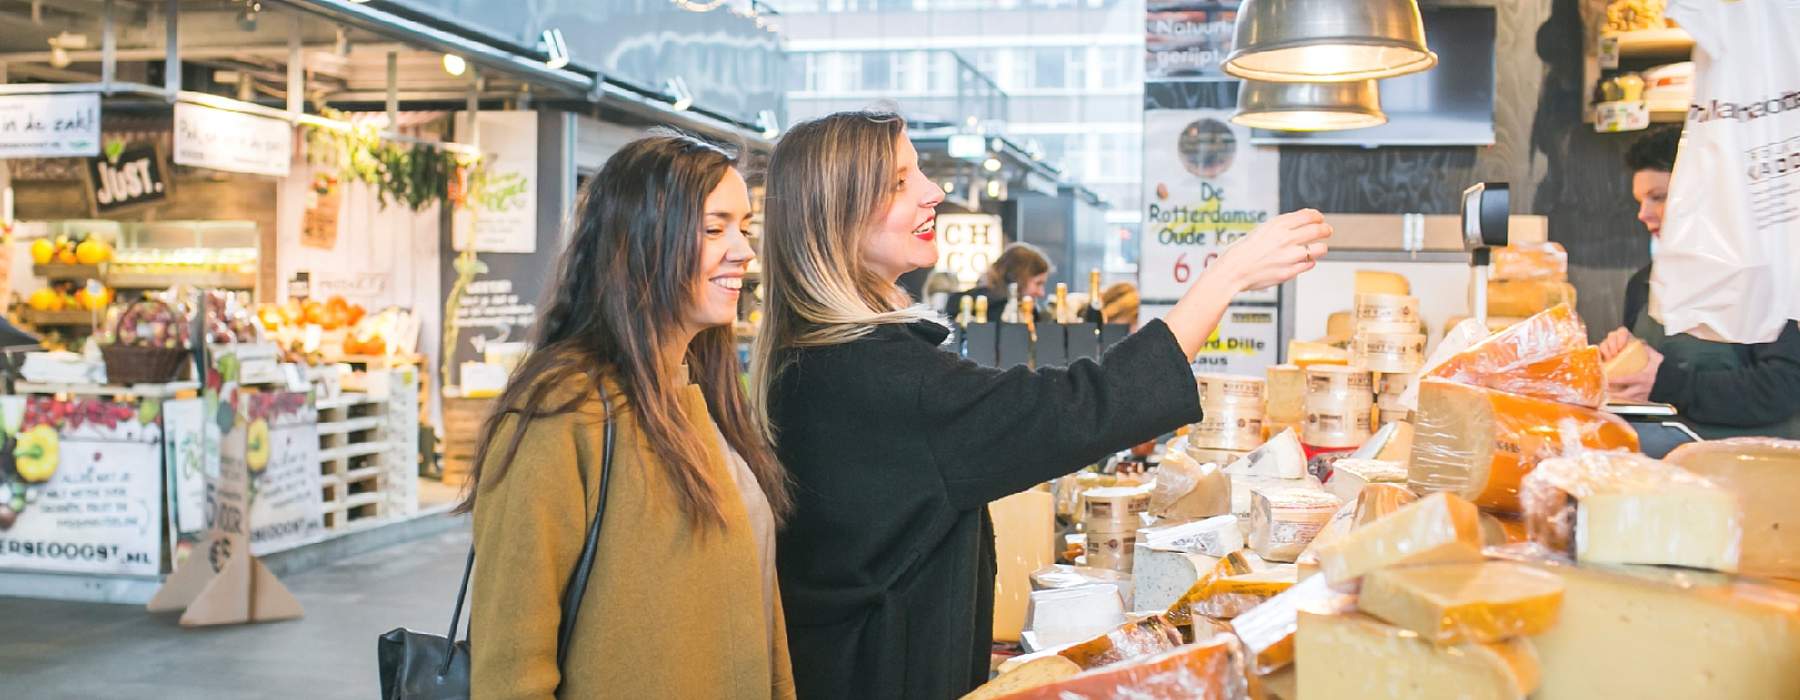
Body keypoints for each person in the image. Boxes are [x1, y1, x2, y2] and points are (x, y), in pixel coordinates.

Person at [750, 110, 1330, 699]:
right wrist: (1224, 277)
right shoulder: (877, 374)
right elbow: (1082, 406)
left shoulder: (819, 355)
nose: (935, 191)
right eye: (902, 180)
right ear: (838, 214)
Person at [461, 134, 795, 699]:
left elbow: (757, 613)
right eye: (715, 229)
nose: (743, 251)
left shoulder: (698, 392)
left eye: (745, 227)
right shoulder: (562, 408)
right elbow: (511, 663)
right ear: (641, 239)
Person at [1598, 126, 1800, 438]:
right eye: (1640, 200)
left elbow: (1782, 387)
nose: (1642, 214)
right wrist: (1623, 359)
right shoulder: (1643, 283)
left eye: (1658, 198)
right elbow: (1649, 377)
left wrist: (1668, 383)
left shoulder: (1761, 278)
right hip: (1666, 470)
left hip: (1749, 473)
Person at [941, 241, 1053, 321]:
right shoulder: (1002, 311)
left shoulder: (957, 304)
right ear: (1017, 279)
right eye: (1038, 283)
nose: (1041, 293)